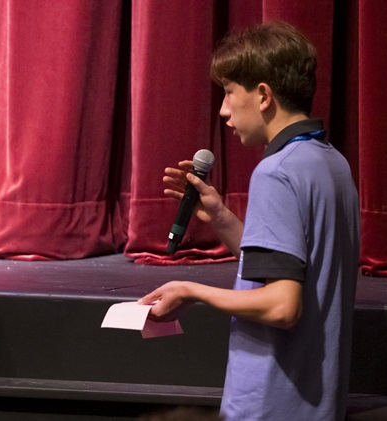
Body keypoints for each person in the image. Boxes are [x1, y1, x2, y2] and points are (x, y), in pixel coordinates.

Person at [139, 21, 360, 420]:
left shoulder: (276, 173)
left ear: (262, 95)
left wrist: (192, 290)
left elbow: (282, 306)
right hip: (316, 403)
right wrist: (222, 218)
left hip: (271, 403)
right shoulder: (332, 162)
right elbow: (286, 269)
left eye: (228, 92)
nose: (223, 110)